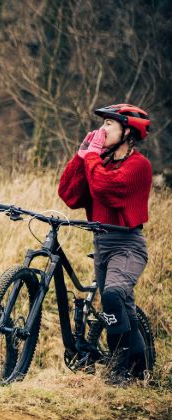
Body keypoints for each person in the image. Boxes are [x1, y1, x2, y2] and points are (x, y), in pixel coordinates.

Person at [58, 104, 152, 382]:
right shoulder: (99, 164)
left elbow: (106, 189)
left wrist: (92, 158)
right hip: (102, 244)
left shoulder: (139, 166)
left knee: (112, 294)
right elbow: (69, 195)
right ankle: (140, 371)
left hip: (127, 245)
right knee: (122, 309)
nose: (102, 129)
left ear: (127, 131)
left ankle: (119, 366)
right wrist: (80, 156)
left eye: (110, 124)